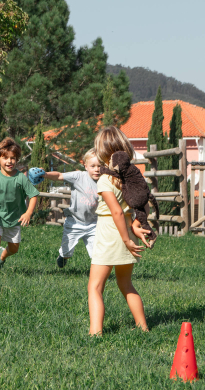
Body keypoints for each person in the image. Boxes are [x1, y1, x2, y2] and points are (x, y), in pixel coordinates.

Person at [89, 126, 151, 336]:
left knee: (95, 287)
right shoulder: (130, 177)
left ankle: (95, 332)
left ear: (103, 153)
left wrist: (125, 240)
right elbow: (137, 205)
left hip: (111, 234)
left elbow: (115, 212)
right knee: (126, 284)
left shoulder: (105, 180)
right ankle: (143, 328)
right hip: (127, 229)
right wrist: (134, 228)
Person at [0, 138, 39, 275]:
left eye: (13, 158)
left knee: (14, 249)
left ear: (17, 159)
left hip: (15, 219)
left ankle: (3, 256)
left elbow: (33, 195)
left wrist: (28, 213)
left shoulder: (21, 178)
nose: (9, 161)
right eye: (5, 158)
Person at [37, 148, 101, 268]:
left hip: (93, 223)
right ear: (85, 166)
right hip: (74, 222)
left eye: (100, 166)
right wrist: (45, 174)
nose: (97, 169)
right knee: (67, 251)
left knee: (97, 255)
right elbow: (59, 175)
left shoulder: (104, 181)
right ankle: (63, 256)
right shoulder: (78, 176)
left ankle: (98, 275)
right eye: (93, 166)